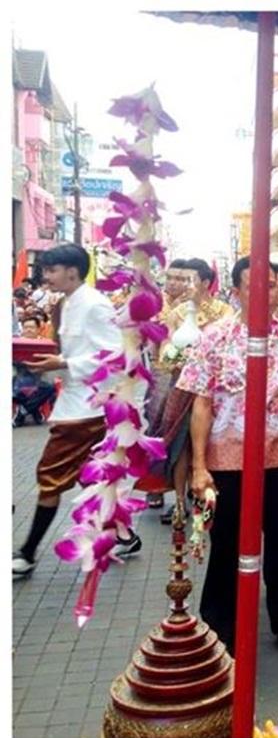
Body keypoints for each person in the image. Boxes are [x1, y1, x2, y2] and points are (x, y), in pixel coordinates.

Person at [178, 257, 278, 658]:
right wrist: (199, 466)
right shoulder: (214, 337)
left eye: (271, 285)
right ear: (236, 291)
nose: (266, 293)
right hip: (227, 460)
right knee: (227, 545)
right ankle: (220, 629)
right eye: (255, 285)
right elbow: (201, 403)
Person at [14, 244, 142, 577]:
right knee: (92, 478)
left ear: (72, 271)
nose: (46, 276)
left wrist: (64, 363)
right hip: (76, 404)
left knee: (50, 477)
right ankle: (124, 536)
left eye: (51, 270)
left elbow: (114, 355)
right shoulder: (68, 302)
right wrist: (57, 363)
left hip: (84, 410)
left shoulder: (94, 304)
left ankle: (27, 552)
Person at [150, 258, 232, 522]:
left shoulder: (225, 312)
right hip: (182, 386)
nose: (184, 285)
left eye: (189, 280)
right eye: (180, 279)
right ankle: (177, 503)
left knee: (212, 444)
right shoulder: (177, 312)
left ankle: (207, 497)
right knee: (180, 446)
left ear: (206, 282)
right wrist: (173, 357)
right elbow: (166, 346)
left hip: (215, 391)